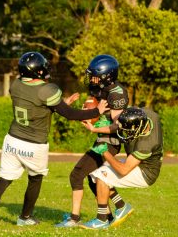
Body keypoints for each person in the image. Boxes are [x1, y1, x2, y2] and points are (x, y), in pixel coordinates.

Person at [0, 51, 108, 228]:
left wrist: (61, 103)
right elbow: (70, 114)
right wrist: (96, 111)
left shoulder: (16, 85)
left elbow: (37, 105)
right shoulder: (48, 89)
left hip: (12, 139)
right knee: (35, 178)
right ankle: (24, 217)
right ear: (38, 71)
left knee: (5, 177)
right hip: (34, 144)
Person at [55, 54, 129, 228]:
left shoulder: (117, 94)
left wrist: (94, 125)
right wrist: (90, 114)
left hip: (110, 142)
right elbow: (97, 112)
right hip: (103, 139)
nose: (90, 78)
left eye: (94, 74)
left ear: (106, 76)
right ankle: (116, 210)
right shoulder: (100, 88)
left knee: (77, 174)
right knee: (92, 178)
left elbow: (118, 126)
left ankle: (74, 218)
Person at [79, 106, 163, 229]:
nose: (125, 132)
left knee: (101, 175)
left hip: (146, 172)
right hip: (138, 162)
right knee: (94, 172)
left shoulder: (145, 144)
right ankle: (121, 206)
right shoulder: (148, 115)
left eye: (128, 131)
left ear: (138, 129)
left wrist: (105, 152)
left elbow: (123, 170)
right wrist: (97, 125)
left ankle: (102, 219)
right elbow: (127, 114)